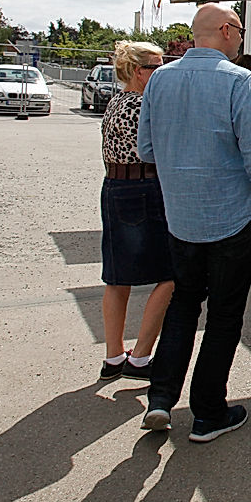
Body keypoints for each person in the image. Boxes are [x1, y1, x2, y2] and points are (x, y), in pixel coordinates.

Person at [137, 3, 251, 443]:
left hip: (181, 218)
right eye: (239, 30)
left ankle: (161, 400)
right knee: (224, 316)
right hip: (231, 221)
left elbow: (147, 149)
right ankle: (207, 413)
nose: (241, 37)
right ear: (226, 30)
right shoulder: (240, 81)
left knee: (183, 305)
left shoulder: (160, 79)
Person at [98, 41, 174, 383]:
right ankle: (141, 357)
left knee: (118, 277)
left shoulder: (116, 100)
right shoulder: (145, 105)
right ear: (137, 71)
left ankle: (114, 356)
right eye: (155, 67)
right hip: (145, 188)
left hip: (114, 186)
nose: (161, 72)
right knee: (170, 274)